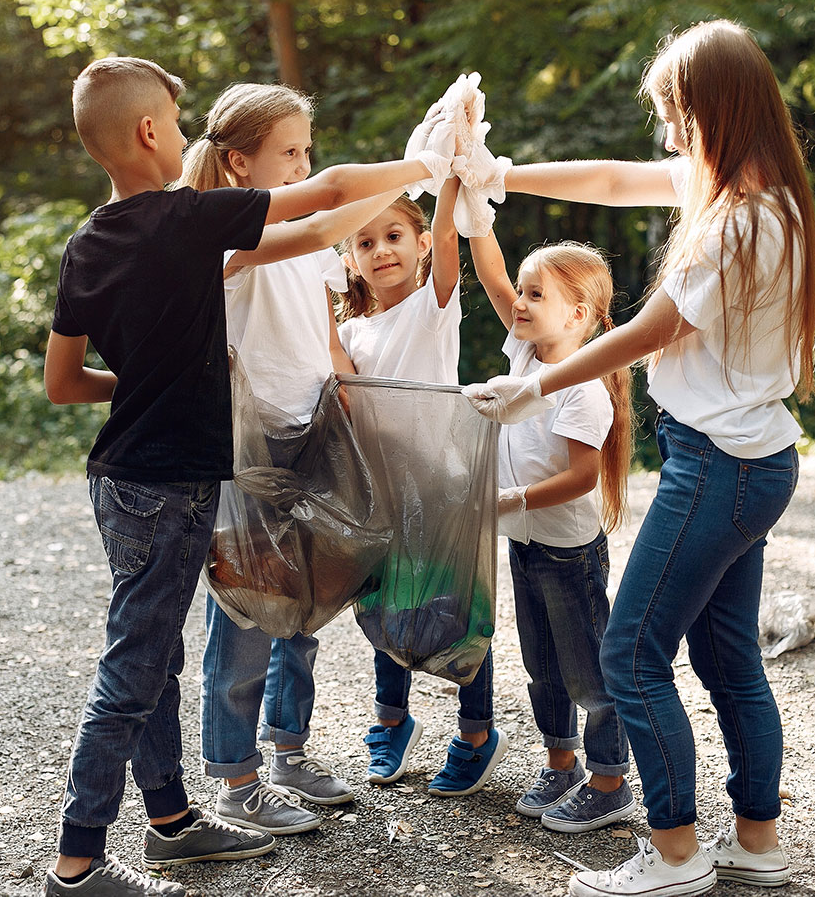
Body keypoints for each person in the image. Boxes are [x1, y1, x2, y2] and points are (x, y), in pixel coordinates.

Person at [41, 56, 454, 897]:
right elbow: (324, 196)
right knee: (131, 670)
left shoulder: (87, 241)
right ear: (151, 133)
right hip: (171, 487)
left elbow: (62, 384)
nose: (189, 134)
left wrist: (152, 383)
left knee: (152, 661)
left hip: (117, 478)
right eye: (179, 121)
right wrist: (429, 160)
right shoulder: (186, 220)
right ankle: (77, 863)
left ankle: (170, 824)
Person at [465, 19, 815, 897]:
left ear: (712, 111)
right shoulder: (748, 192)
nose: (666, 132)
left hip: (721, 468)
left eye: (674, 113)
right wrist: (497, 177)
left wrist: (534, 389)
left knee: (628, 655)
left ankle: (671, 854)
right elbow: (614, 179)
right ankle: (756, 844)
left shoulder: (741, 224)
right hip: (748, 461)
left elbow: (647, 333)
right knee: (728, 659)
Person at [177, 80, 407, 837]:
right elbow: (316, 225)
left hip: (312, 432)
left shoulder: (304, 235)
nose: (305, 163)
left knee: (304, 602)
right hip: (251, 445)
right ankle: (235, 781)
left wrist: (350, 405)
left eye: (309, 150)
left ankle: (286, 752)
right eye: (290, 153)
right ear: (239, 164)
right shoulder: (221, 232)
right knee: (246, 612)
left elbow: (326, 338)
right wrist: (415, 168)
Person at [336, 186, 510, 797]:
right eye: (365, 241)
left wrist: (451, 176)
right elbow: (348, 392)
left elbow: (447, 240)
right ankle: (391, 720)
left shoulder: (433, 307)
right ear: (349, 258)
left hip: (442, 487)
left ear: (417, 246)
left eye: (393, 236)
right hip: (382, 494)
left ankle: (476, 734)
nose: (380, 250)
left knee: (458, 611)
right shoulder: (351, 332)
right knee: (385, 608)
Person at [466, 235, 636, 833]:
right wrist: (474, 203)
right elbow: (490, 278)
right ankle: (561, 765)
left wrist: (509, 499)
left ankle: (609, 778)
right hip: (525, 543)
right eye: (524, 288)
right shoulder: (525, 360)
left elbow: (581, 478)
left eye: (536, 293)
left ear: (579, 315)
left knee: (587, 667)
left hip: (568, 552)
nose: (520, 300)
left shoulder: (583, 388)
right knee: (542, 662)